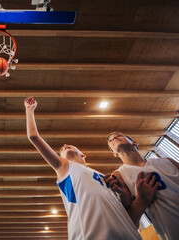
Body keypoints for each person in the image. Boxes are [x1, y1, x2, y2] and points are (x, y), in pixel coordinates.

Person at [25, 97, 146, 240]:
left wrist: (124, 195)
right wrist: (29, 110)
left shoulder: (104, 176)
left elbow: (126, 216)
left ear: (82, 154)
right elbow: (33, 137)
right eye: (61, 152)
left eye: (68, 146)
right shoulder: (65, 167)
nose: (64, 146)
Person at [106, 132, 179, 240]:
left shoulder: (168, 161)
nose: (114, 138)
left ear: (134, 142)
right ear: (114, 154)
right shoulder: (118, 176)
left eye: (118, 136)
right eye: (110, 140)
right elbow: (131, 224)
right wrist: (141, 199)